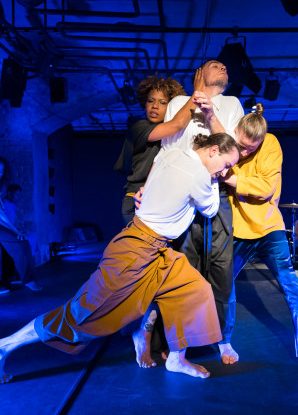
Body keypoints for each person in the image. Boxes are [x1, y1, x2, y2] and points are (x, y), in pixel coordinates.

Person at [0, 133, 240, 384]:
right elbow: (210, 209)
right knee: (81, 314)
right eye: (226, 165)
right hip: (135, 251)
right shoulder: (199, 174)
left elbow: (156, 173)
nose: (225, 172)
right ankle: (6, 345)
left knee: (193, 288)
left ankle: (176, 359)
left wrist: (146, 191)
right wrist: (215, 181)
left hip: (159, 250)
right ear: (213, 151)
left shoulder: (173, 153)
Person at [132, 59, 244, 367]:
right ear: (199, 73)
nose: (223, 67)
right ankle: (175, 343)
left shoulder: (233, 103)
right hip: (181, 194)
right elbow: (166, 151)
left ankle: (223, 338)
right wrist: (148, 188)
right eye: (215, 64)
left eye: (225, 66)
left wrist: (210, 115)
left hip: (217, 192)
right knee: (181, 269)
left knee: (222, 270)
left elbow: (231, 150)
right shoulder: (179, 102)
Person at [220, 104, 298, 389]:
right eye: (242, 145)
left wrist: (229, 177)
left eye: (251, 148)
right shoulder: (230, 140)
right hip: (238, 232)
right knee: (222, 284)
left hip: (269, 229)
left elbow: (265, 189)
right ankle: (223, 341)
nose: (245, 152)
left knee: (292, 287)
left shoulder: (270, 143)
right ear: (235, 132)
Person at [121, 71, 205, 225]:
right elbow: (177, 124)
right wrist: (197, 93)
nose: (155, 106)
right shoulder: (139, 127)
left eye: (162, 102)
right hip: (138, 198)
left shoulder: (173, 138)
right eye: (150, 101)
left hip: (159, 198)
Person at [0, 183, 41, 294]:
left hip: (7, 228)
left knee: (25, 241)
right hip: (4, 228)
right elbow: (3, 219)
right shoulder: (4, 203)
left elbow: (7, 220)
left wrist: (17, 230)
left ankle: (21, 277)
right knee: (20, 243)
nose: (17, 197)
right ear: (9, 193)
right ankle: (26, 279)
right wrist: (15, 231)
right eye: (16, 194)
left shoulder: (10, 204)